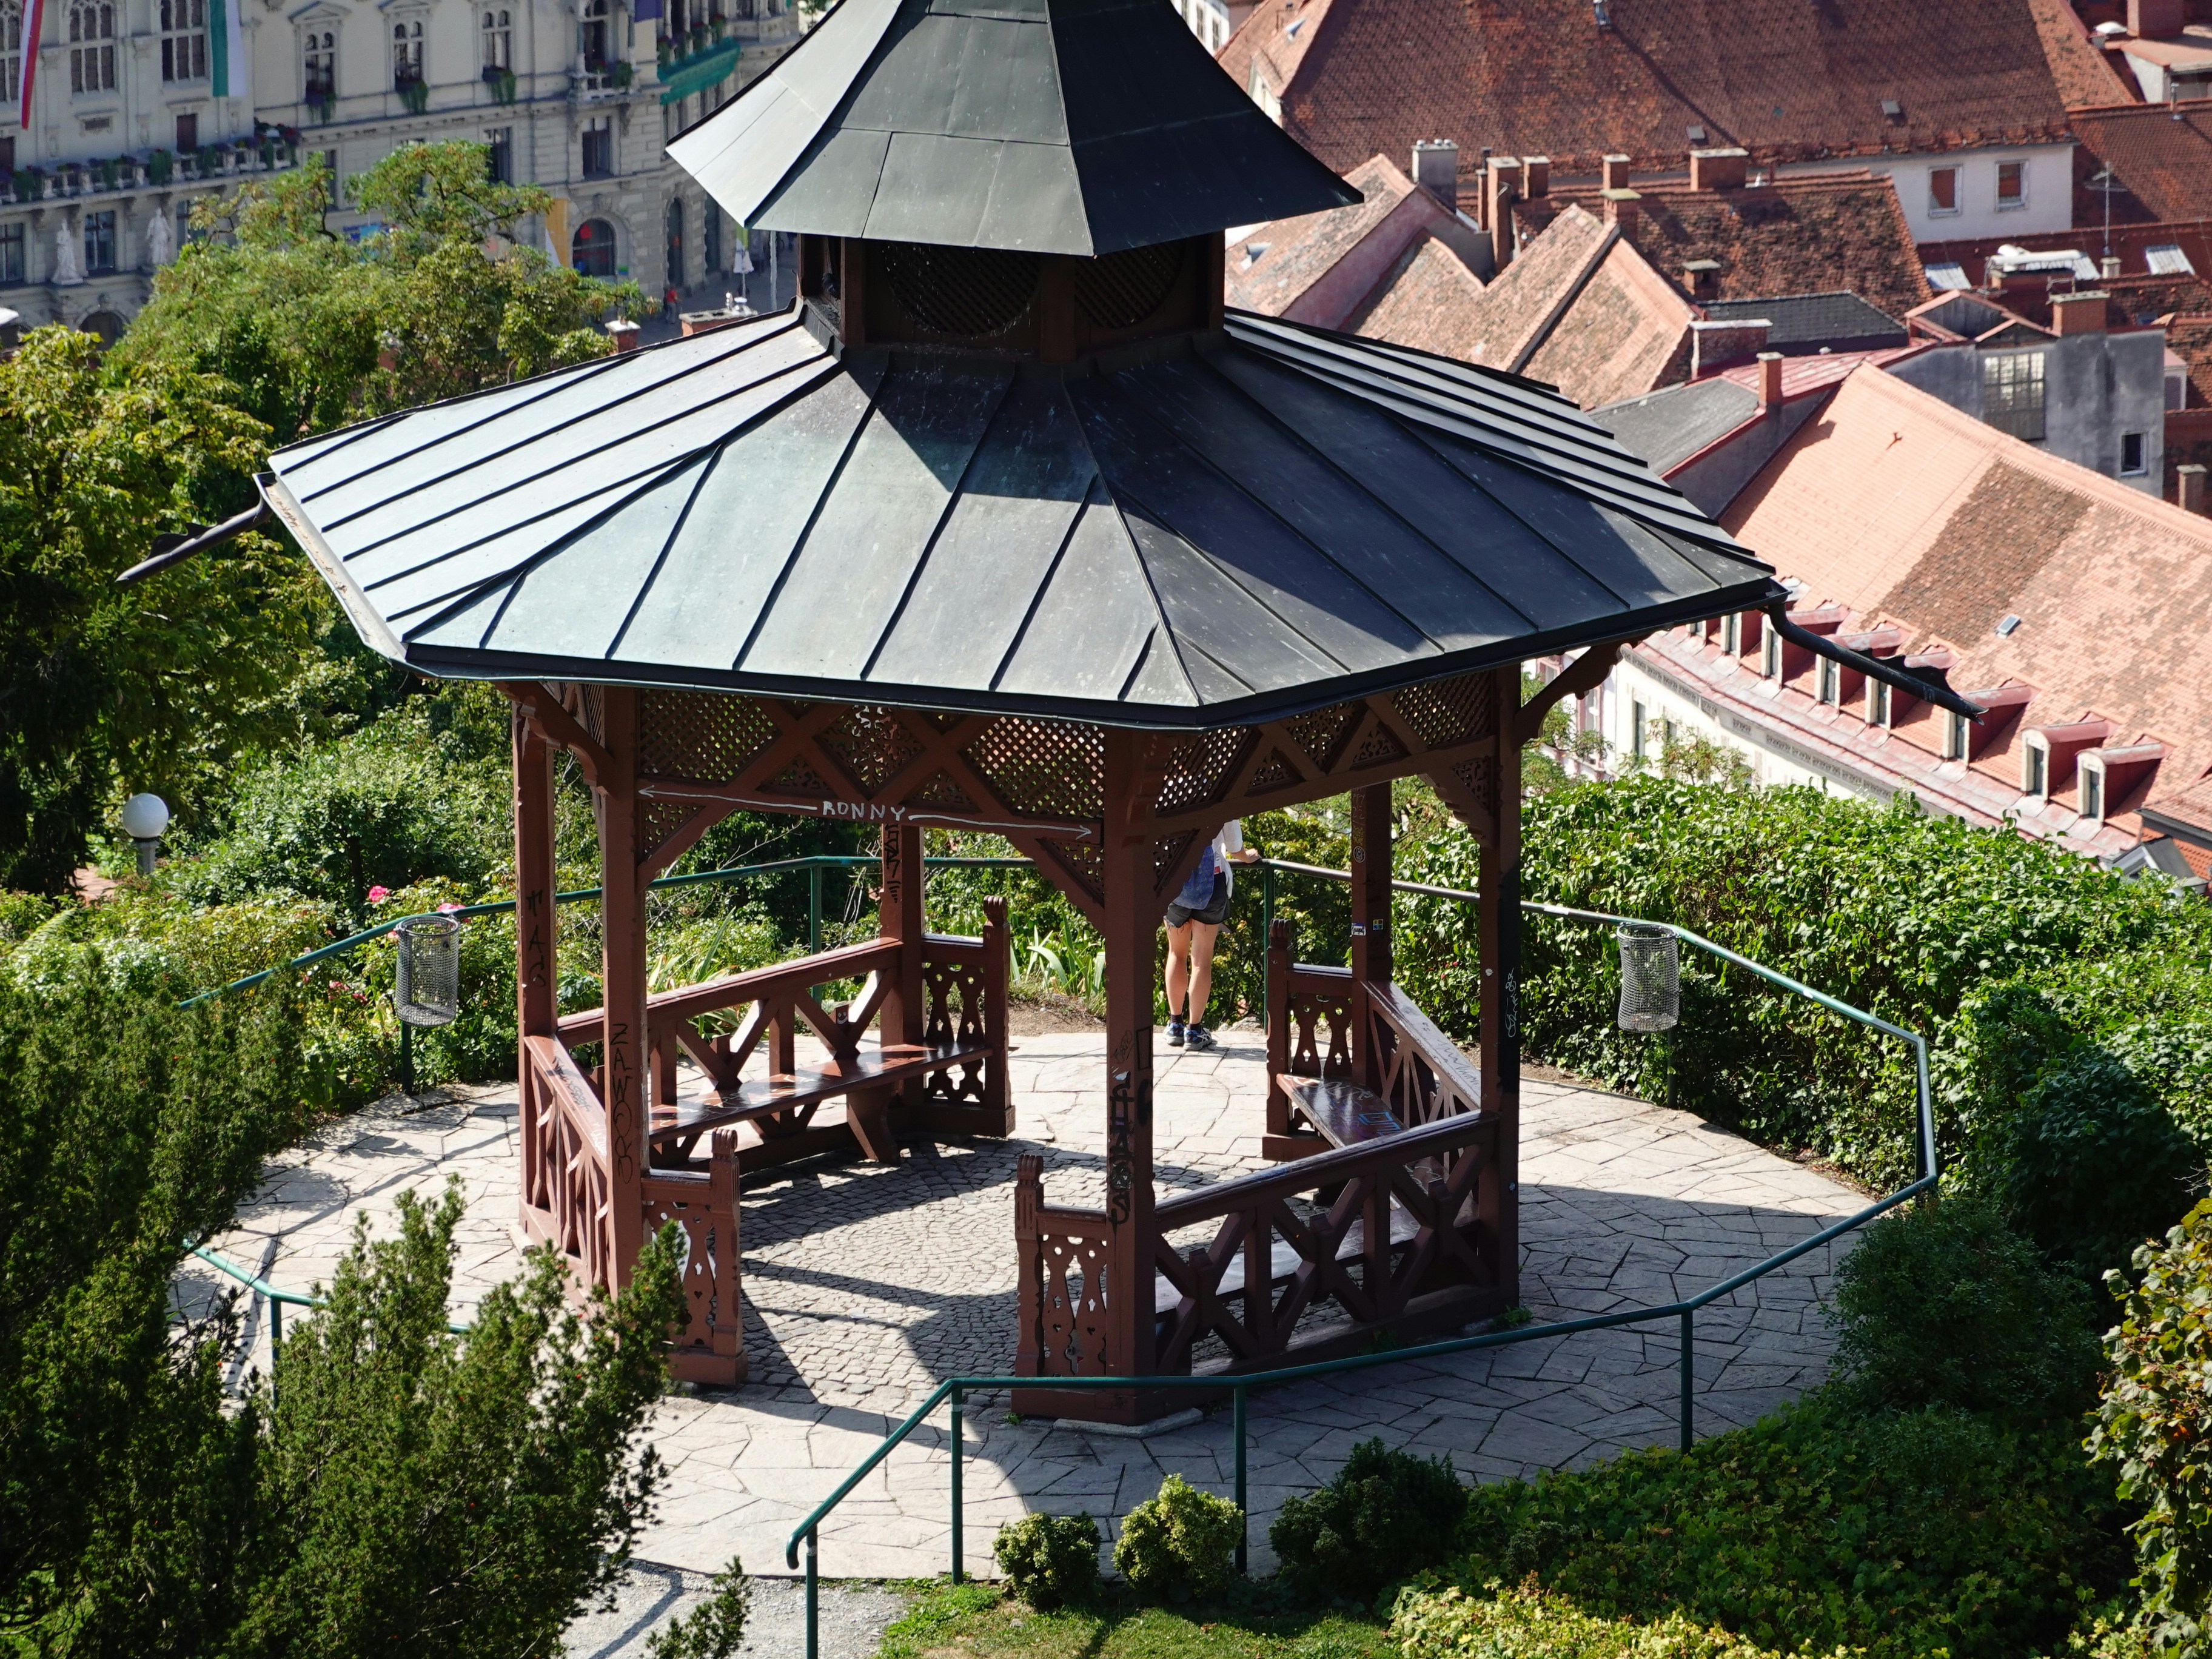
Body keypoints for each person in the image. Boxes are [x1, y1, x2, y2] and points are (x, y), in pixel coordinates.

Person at [1162, 820, 1259, 1051]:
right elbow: (1236, 849)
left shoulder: (1166, 796)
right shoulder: (1223, 795)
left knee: (1176, 953)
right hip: (1212, 881)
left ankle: (1175, 1025)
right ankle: (1194, 1032)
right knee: (1201, 960)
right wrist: (1250, 857)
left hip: (1174, 881)